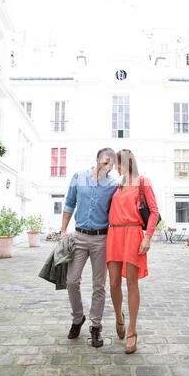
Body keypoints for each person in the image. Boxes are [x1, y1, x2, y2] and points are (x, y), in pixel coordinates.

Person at [61, 148, 118, 347]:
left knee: (99, 285)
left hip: (101, 239)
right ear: (97, 160)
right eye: (105, 163)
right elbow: (69, 203)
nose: (108, 168)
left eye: (111, 165)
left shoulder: (113, 185)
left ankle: (96, 326)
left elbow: (116, 212)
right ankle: (78, 318)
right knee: (71, 281)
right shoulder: (79, 176)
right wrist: (62, 231)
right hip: (79, 236)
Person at [106, 149, 159, 353]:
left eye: (118, 164)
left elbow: (154, 211)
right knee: (113, 284)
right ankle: (119, 316)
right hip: (114, 235)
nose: (115, 168)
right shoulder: (116, 185)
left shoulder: (143, 181)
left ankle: (132, 330)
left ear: (127, 162)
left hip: (133, 234)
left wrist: (148, 236)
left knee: (131, 283)